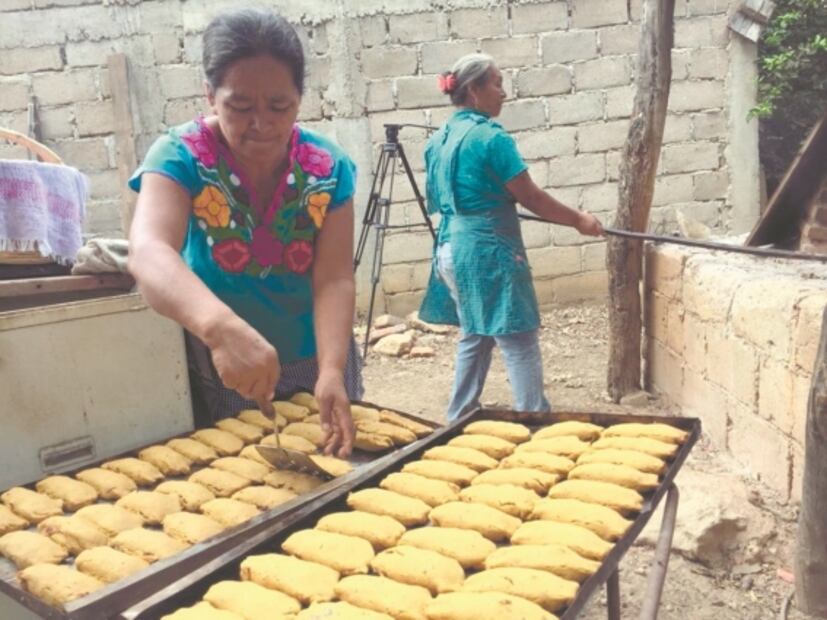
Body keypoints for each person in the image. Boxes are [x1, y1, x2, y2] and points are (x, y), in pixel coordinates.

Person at [128, 8, 359, 456]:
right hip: (229, 362)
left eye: (279, 106)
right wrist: (221, 330)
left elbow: (334, 277)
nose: (262, 123)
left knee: (334, 471)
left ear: (300, 98)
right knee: (245, 475)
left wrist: (331, 368)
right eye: (240, 106)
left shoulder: (327, 167)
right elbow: (149, 250)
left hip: (317, 353)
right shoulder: (179, 157)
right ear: (210, 95)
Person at [420, 53, 604, 422]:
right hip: (488, 252)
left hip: (450, 249)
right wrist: (579, 220)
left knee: (476, 332)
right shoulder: (490, 138)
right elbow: (531, 197)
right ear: (473, 90)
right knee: (517, 336)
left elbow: (438, 200)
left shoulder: (438, 140)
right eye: (497, 84)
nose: (504, 93)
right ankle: (534, 420)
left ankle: (458, 415)